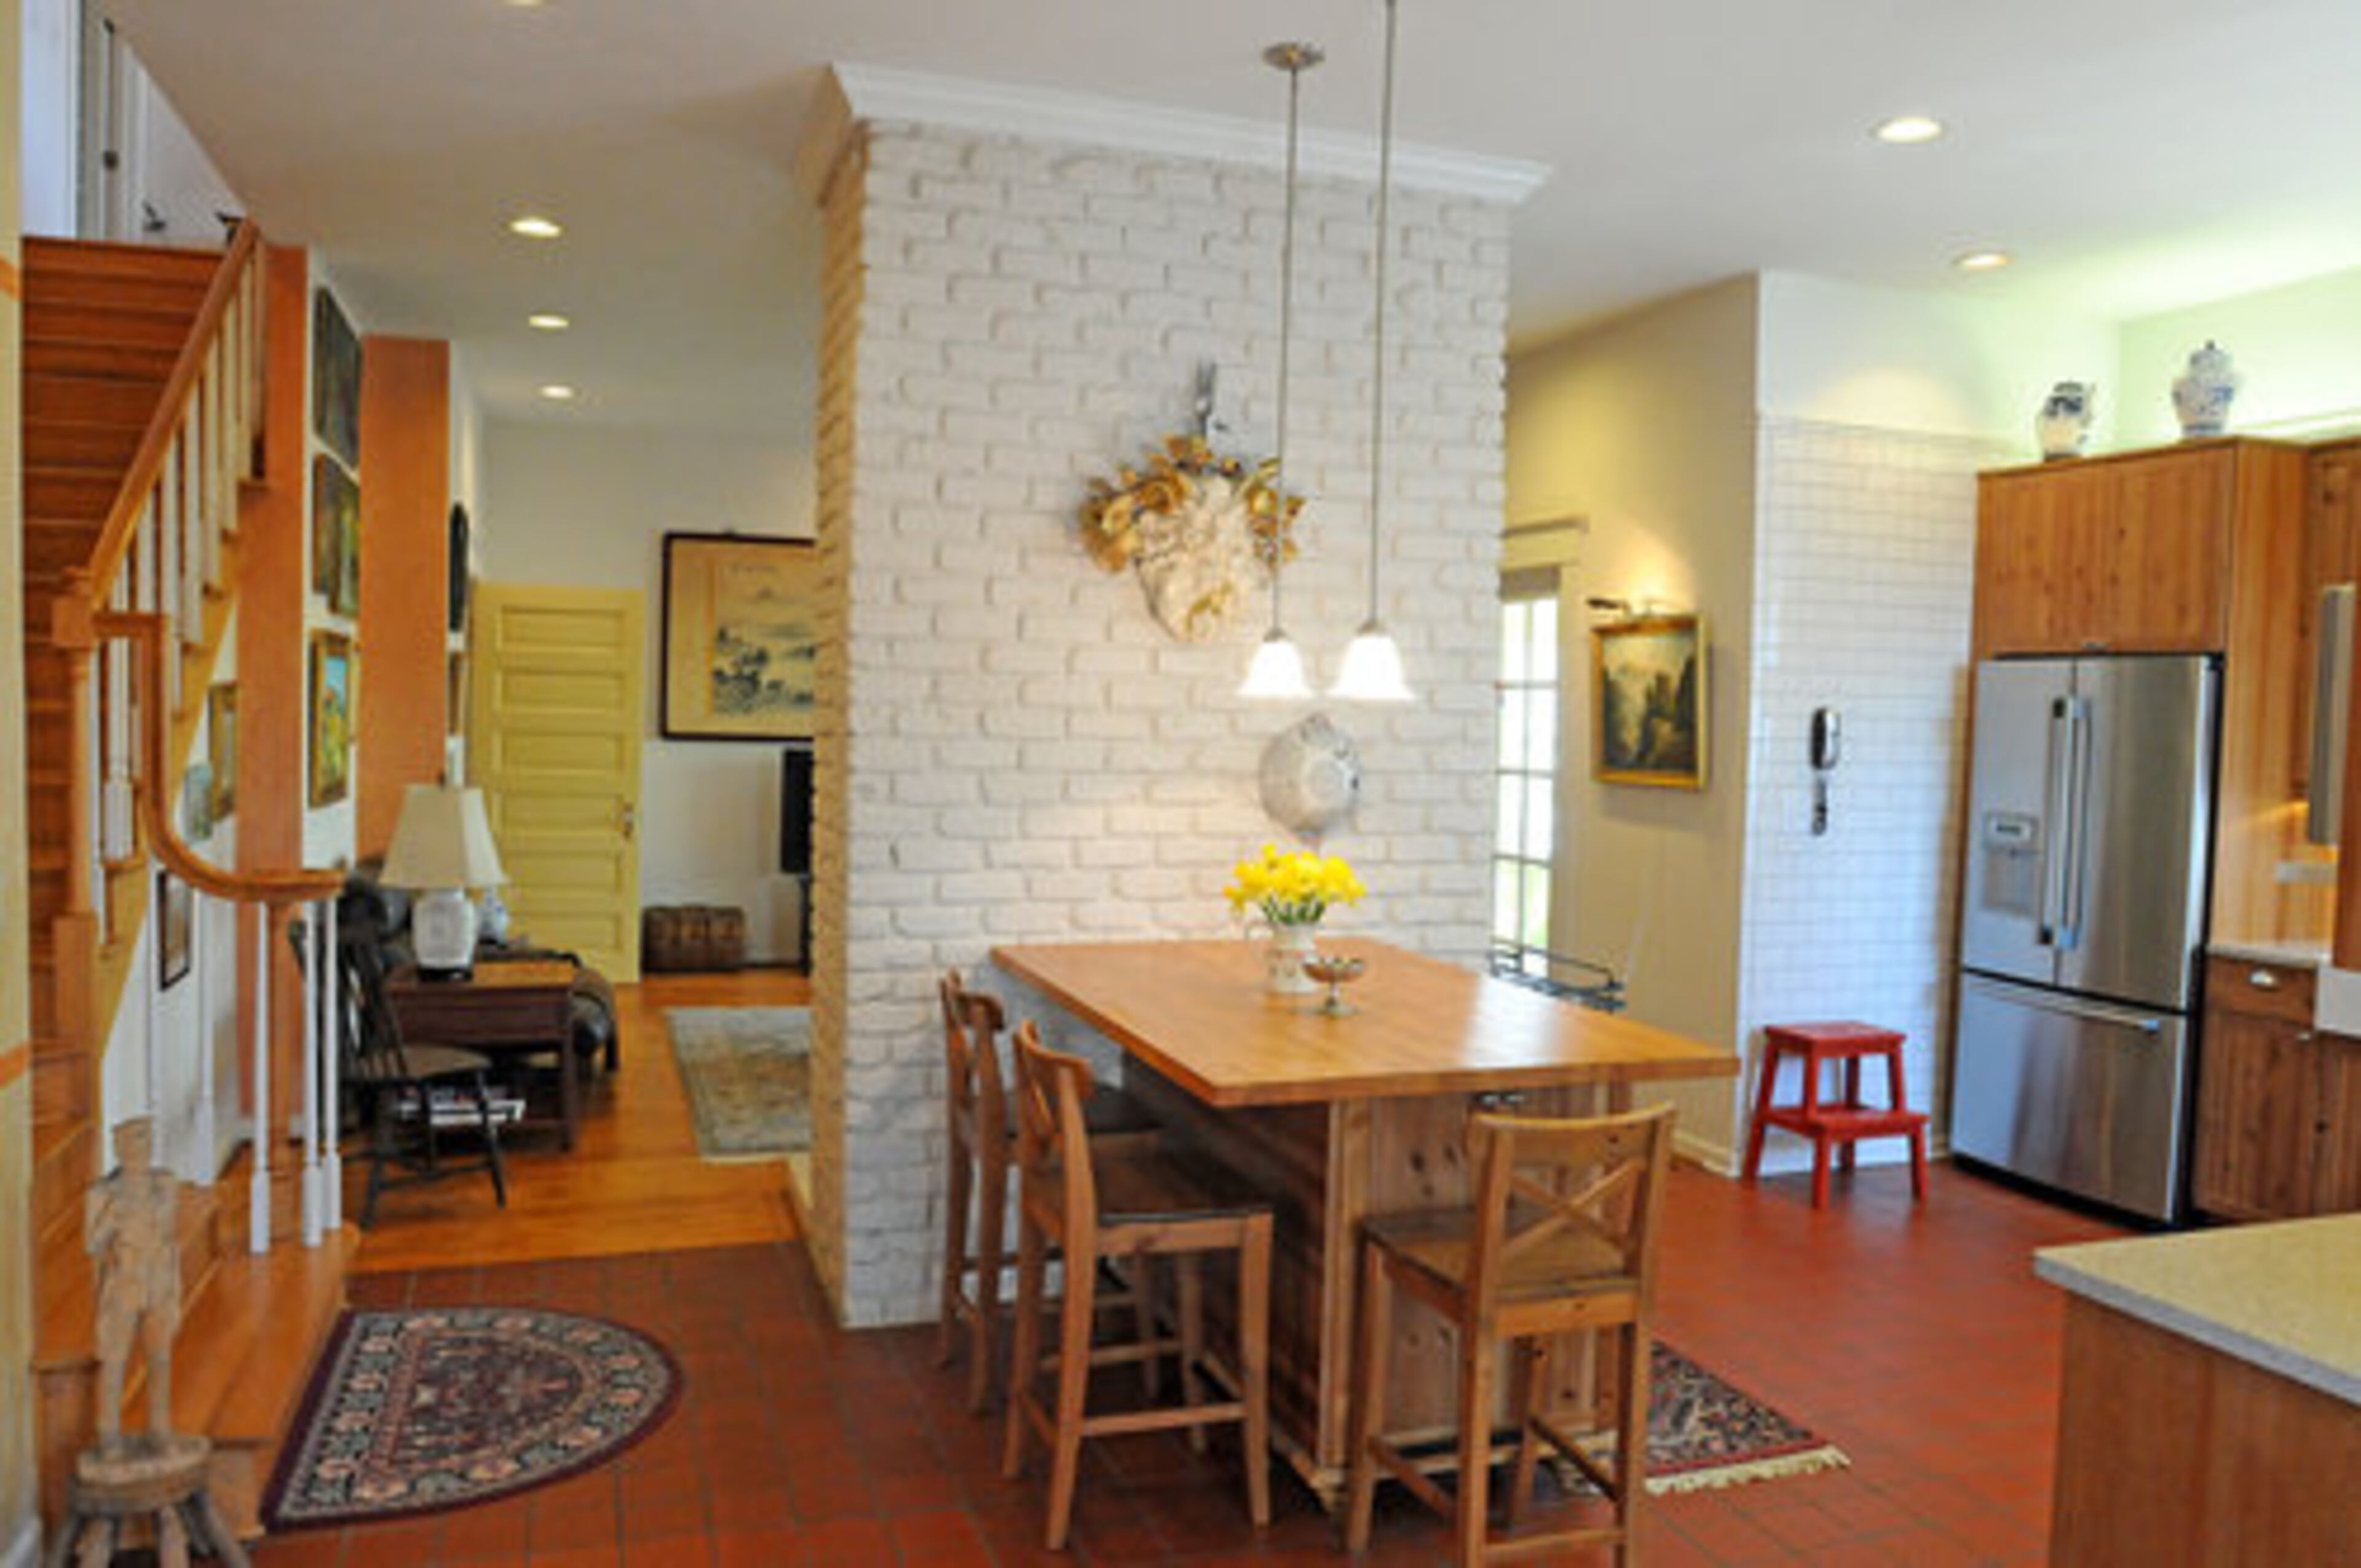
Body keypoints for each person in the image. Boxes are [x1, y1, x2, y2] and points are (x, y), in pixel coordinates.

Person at [85, 1116, 180, 1447]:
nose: (145, 1148)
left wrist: (174, 1291)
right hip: (125, 1283)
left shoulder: (165, 1185)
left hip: (159, 1280)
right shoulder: (104, 1194)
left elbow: (171, 1241)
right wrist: (113, 1217)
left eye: (148, 1141)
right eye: (138, 1141)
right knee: (115, 1359)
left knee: (160, 1358)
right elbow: (92, 1245)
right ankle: (109, 1434)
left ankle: (160, 1429)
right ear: (121, 1148)